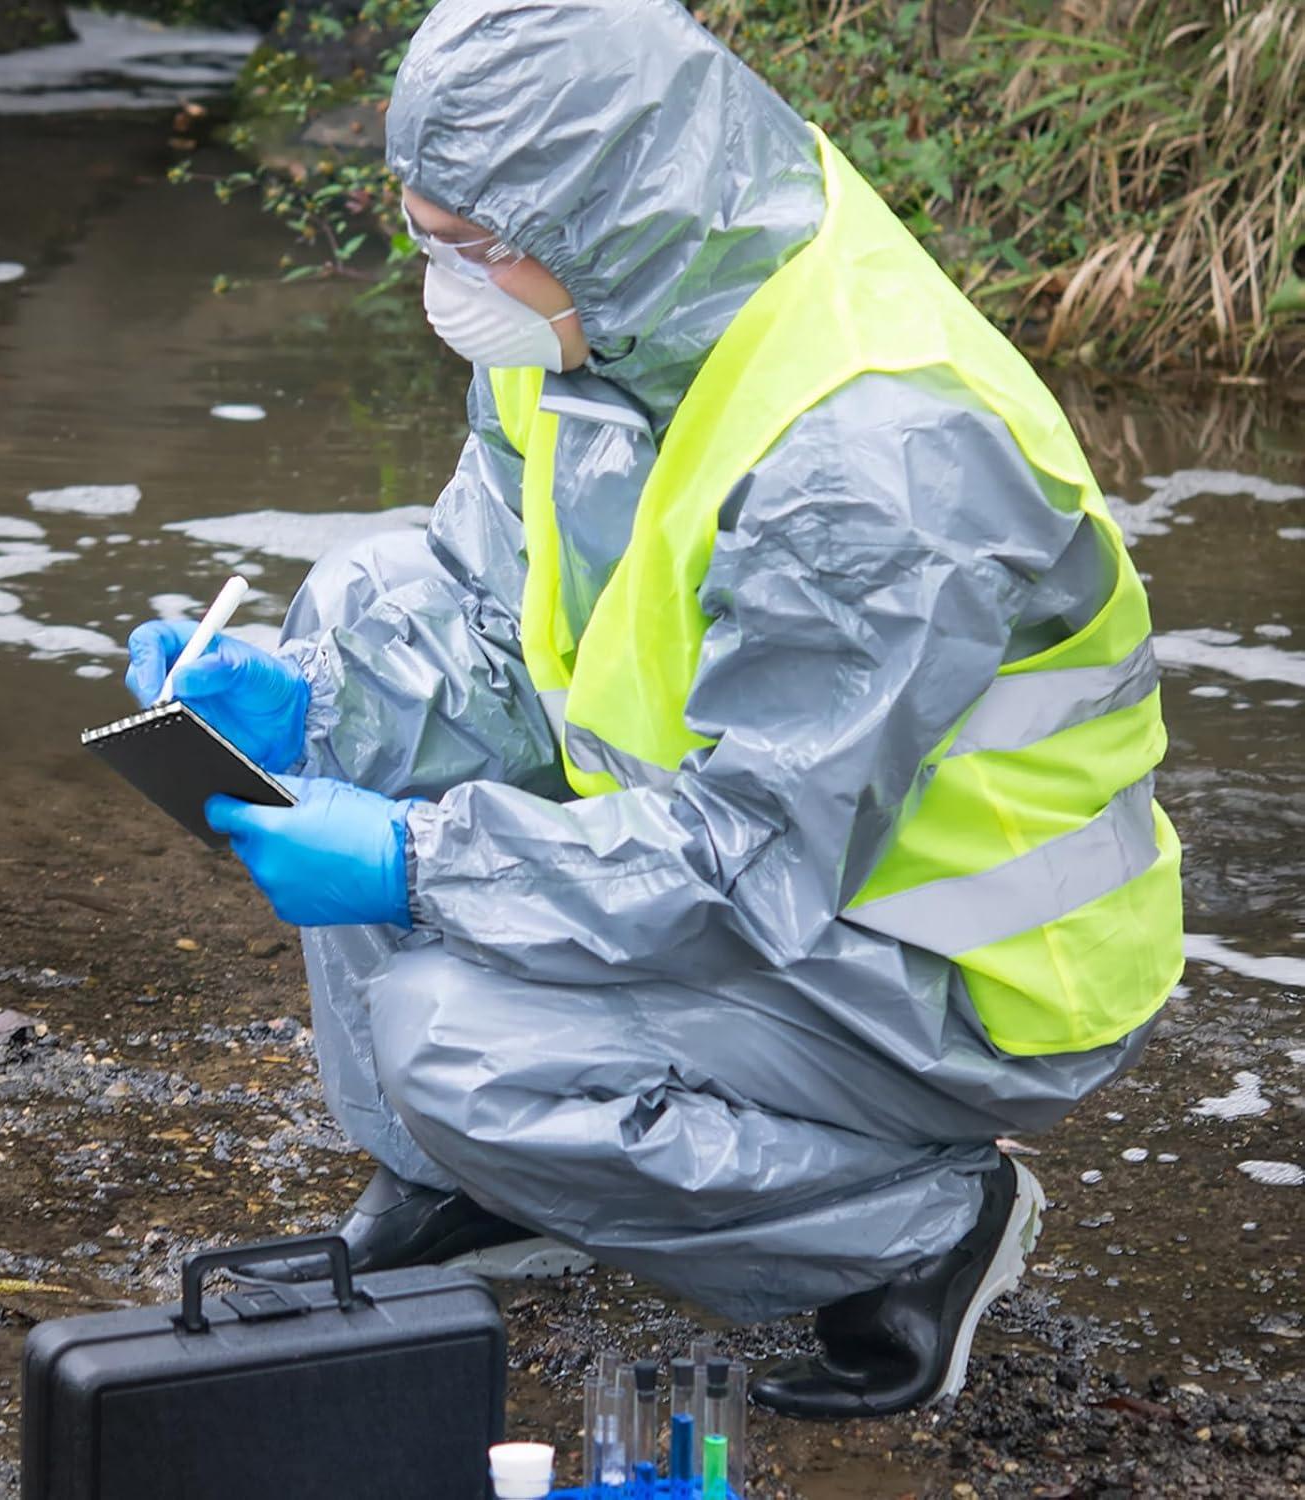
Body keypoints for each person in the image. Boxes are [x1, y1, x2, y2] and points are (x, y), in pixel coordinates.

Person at [125, 0, 1184, 1419]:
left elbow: (748, 857)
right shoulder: (603, 297)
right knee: (354, 602)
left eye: (467, 246)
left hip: (954, 968)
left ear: (597, 205)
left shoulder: (875, 457)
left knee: (456, 1038)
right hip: (791, 873)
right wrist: (309, 700)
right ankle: (483, 1191)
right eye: (426, 236)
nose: (447, 284)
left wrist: (415, 864)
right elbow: (496, 624)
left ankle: (923, 1230)